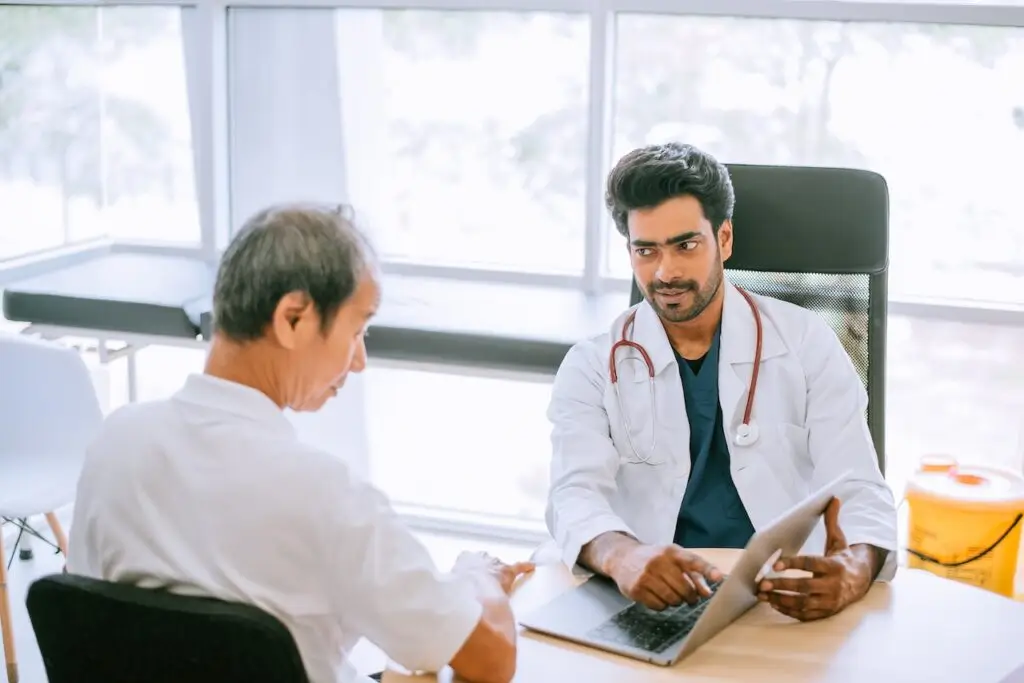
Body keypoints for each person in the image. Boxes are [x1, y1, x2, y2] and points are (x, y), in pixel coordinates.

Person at [66, 203, 532, 683]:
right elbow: (492, 659)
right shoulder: (325, 495)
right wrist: (476, 576)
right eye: (357, 330)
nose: (359, 361)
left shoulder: (114, 442)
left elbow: (86, 617)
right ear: (293, 318)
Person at [544, 143, 897, 622]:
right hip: (649, 599)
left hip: (782, 601)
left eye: (686, 245)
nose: (665, 272)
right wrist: (620, 555)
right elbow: (572, 494)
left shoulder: (806, 342)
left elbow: (859, 486)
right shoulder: (592, 366)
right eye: (646, 250)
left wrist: (855, 568)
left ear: (724, 239)